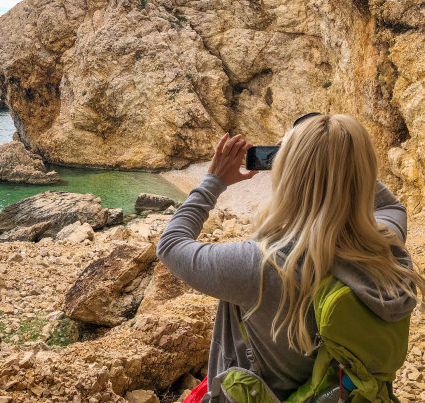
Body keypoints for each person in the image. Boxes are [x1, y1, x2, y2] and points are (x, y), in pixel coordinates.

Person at [156, 114, 425, 401]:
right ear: (363, 171)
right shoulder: (386, 245)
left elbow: (171, 244)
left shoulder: (258, 265)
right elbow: (388, 204)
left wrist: (213, 182)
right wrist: (340, 153)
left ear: (288, 173)